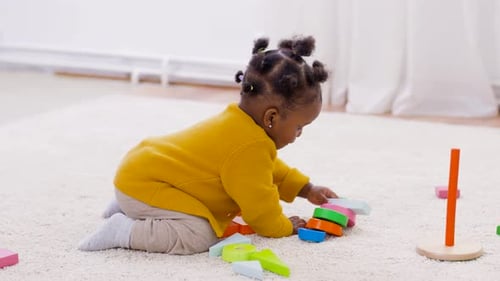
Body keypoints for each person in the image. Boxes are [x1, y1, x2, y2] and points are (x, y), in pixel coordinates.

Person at [78, 35, 338, 255]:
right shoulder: (249, 147)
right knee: (200, 235)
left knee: (194, 215)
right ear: (271, 117)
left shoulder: (240, 126)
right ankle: (124, 230)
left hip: (141, 172)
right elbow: (261, 209)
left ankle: (128, 204)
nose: (298, 134)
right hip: (147, 185)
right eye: (299, 127)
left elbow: (268, 169)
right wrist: (283, 227)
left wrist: (306, 189)